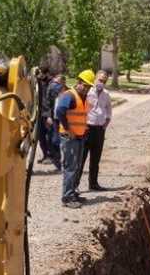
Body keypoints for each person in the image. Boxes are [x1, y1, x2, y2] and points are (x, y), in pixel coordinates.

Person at [55, 69, 93, 209]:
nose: (87, 89)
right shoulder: (69, 95)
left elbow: (81, 115)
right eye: (86, 86)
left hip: (80, 136)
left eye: (89, 87)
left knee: (77, 166)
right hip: (69, 137)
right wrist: (68, 129)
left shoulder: (83, 97)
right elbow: (60, 111)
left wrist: (85, 129)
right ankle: (67, 197)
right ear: (79, 82)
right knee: (70, 167)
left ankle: (73, 193)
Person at [77, 70, 112, 191]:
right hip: (87, 128)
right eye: (100, 80)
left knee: (95, 159)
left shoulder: (106, 94)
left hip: (99, 130)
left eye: (104, 81)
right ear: (95, 79)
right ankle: (75, 185)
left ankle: (93, 183)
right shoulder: (88, 92)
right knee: (81, 158)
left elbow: (108, 109)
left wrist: (106, 121)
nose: (102, 83)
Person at [39, 74, 66, 170]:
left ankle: (58, 162)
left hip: (55, 117)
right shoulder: (53, 86)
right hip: (52, 117)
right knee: (52, 139)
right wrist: (48, 116)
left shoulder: (54, 87)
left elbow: (48, 102)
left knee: (54, 140)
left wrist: (48, 116)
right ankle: (57, 161)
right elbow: (48, 102)